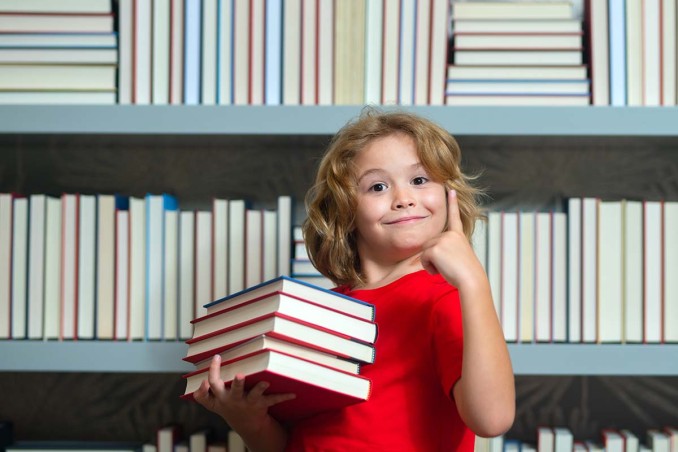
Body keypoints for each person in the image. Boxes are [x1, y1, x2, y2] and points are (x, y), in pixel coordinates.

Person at [193, 108, 515, 451]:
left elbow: (492, 419)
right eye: (377, 186)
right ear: (346, 211)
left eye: (420, 180)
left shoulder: (447, 297)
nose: (403, 199)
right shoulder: (324, 313)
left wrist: (474, 282)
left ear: (450, 197)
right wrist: (250, 421)